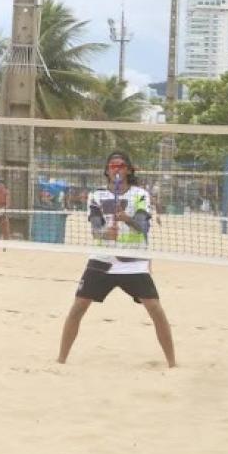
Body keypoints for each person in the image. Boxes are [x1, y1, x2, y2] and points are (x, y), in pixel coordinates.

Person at [56, 151, 176, 368]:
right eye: (112, 166)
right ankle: (60, 360)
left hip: (133, 261)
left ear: (129, 170)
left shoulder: (140, 194)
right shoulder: (97, 196)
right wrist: (104, 233)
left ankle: (172, 363)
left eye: (120, 166)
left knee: (155, 309)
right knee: (78, 307)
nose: (116, 170)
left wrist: (126, 219)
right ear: (107, 171)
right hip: (102, 260)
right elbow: (95, 229)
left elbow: (143, 226)